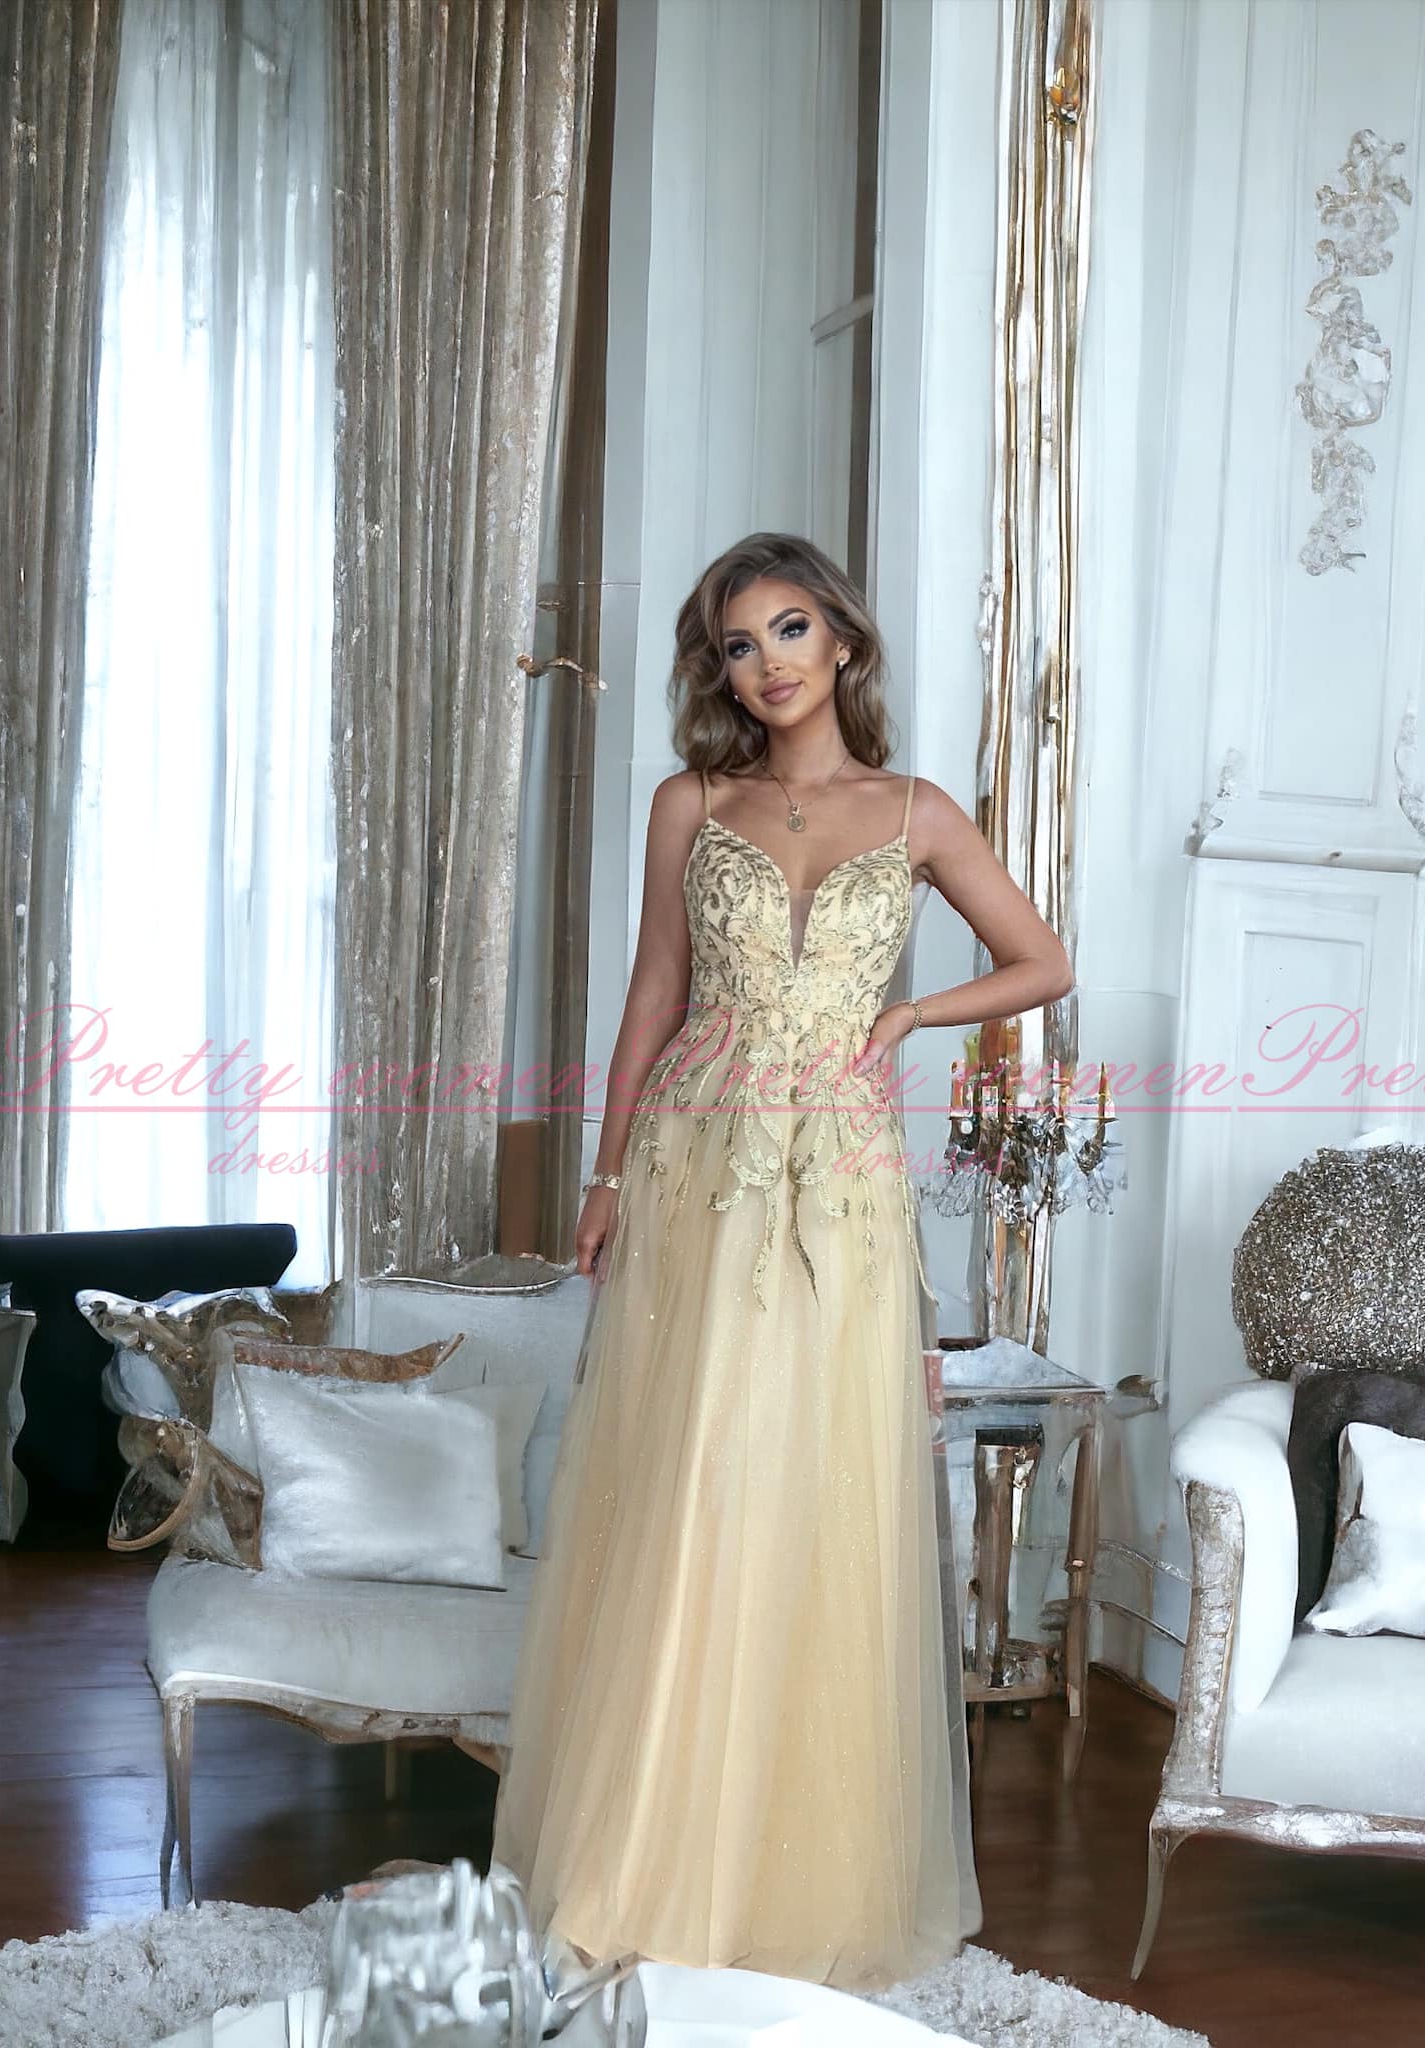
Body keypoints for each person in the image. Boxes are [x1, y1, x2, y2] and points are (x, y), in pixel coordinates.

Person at [490, 531, 1074, 1993]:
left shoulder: (916, 813)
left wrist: (911, 1016)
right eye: (740, 644)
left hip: (847, 1184)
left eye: (791, 630)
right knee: (696, 1470)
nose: (768, 664)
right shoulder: (692, 803)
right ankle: (650, 1855)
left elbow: (1045, 961)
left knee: (818, 1483)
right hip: (701, 1163)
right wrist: (605, 1171)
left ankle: (790, 1867)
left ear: (844, 641)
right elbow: (653, 989)